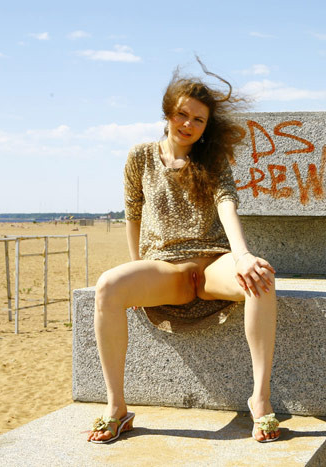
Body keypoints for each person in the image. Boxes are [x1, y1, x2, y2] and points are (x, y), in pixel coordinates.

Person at [87, 62, 281, 444]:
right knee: (108, 286)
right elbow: (133, 214)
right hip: (166, 270)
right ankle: (116, 408)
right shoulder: (140, 156)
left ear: (207, 126)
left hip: (213, 264)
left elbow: (226, 203)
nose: (188, 124)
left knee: (260, 279)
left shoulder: (210, 160)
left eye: (198, 119)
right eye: (182, 114)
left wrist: (242, 255)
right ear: (167, 112)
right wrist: (136, 267)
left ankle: (260, 400)